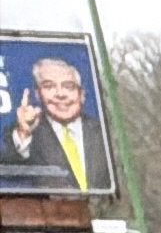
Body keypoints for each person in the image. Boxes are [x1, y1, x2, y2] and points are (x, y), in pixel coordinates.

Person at [3, 50, 111, 195]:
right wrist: (24, 133)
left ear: (82, 94)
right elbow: (10, 171)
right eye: (49, 86)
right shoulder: (24, 134)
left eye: (68, 86)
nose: (60, 94)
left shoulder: (103, 132)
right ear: (37, 94)